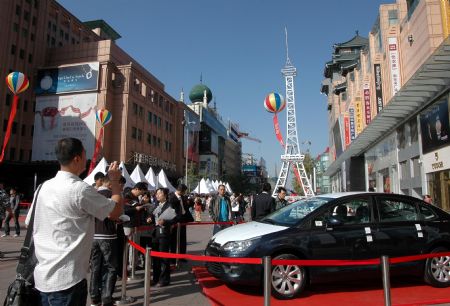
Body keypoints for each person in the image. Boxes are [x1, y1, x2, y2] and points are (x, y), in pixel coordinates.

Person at [26, 137, 124, 306]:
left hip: (41, 277)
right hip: (68, 280)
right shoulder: (80, 189)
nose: (86, 158)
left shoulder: (43, 187)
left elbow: (30, 223)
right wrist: (114, 181)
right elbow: (115, 211)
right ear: (77, 158)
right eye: (85, 154)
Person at [90, 176, 119, 306]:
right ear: (110, 184)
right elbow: (114, 214)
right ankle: (106, 297)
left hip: (94, 235)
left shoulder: (92, 194)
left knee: (95, 267)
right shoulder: (111, 195)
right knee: (111, 267)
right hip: (107, 234)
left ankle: (94, 296)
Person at [151, 187, 181, 287]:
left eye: (159, 193)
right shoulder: (156, 204)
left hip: (164, 233)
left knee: (163, 257)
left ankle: (164, 280)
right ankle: (155, 278)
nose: (157, 195)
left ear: (164, 195)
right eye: (156, 194)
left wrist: (166, 222)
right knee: (155, 258)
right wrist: (149, 218)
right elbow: (152, 216)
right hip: (155, 233)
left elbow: (176, 218)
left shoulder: (169, 205)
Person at [169, 184, 193, 257]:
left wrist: (190, 202)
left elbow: (187, 206)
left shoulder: (183, 197)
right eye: (184, 191)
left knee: (182, 238)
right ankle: (173, 257)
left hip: (183, 219)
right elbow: (171, 208)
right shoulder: (172, 197)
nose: (184, 193)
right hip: (176, 220)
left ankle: (182, 255)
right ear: (180, 190)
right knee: (174, 239)